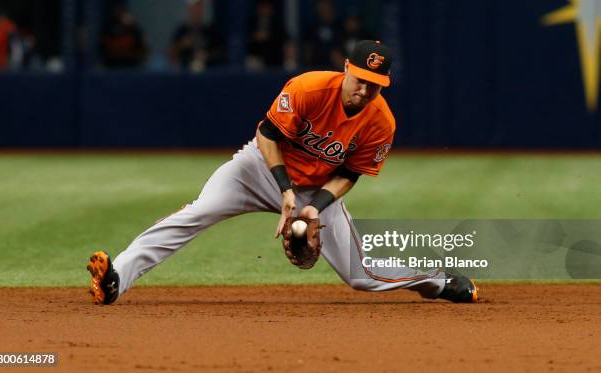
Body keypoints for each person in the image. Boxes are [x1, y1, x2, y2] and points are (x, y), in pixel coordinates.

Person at [86, 40, 479, 305]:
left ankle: (438, 281)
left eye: (375, 86)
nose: (364, 91)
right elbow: (268, 135)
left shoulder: (381, 122)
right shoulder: (308, 88)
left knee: (361, 276)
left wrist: (314, 207)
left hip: (316, 188)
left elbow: (350, 173)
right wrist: (284, 191)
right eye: (360, 80)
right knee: (198, 212)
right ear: (346, 69)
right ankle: (116, 277)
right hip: (259, 169)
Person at [169, 0, 224, 72]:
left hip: (209, 75)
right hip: (185, 75)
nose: (197, 11)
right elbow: (171, 55)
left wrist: (207, 55)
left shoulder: (211, 32)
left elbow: (221, 52)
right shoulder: (181, 31)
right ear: (189, 10)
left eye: (200, 8)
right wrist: (182, 44)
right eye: (195, 8)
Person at [100, 4, 148, 68]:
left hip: (132, 66)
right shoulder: (107, 28)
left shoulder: (134, 30)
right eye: (116, 12)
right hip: (111, 66)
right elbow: (102, 49)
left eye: (121, 12)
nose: (118, 14)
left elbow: (143, 49)